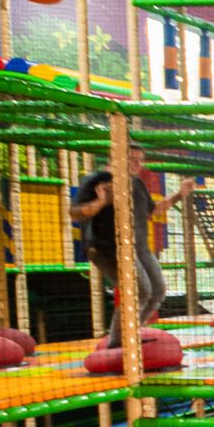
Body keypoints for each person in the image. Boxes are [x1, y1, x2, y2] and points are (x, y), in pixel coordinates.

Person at [70, 147, 188, 348]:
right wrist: (101, 201)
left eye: (140, 160)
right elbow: (75, 212)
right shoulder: (98, 180)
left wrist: (179, 194)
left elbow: (154, 210)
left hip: (139, 247)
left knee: (158, 290)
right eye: (132, 159)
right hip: (108, 246)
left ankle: (129, 331)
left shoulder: (137, 183)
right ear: (115, 157)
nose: (137, 164)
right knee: (140, 290)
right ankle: (118, 340)